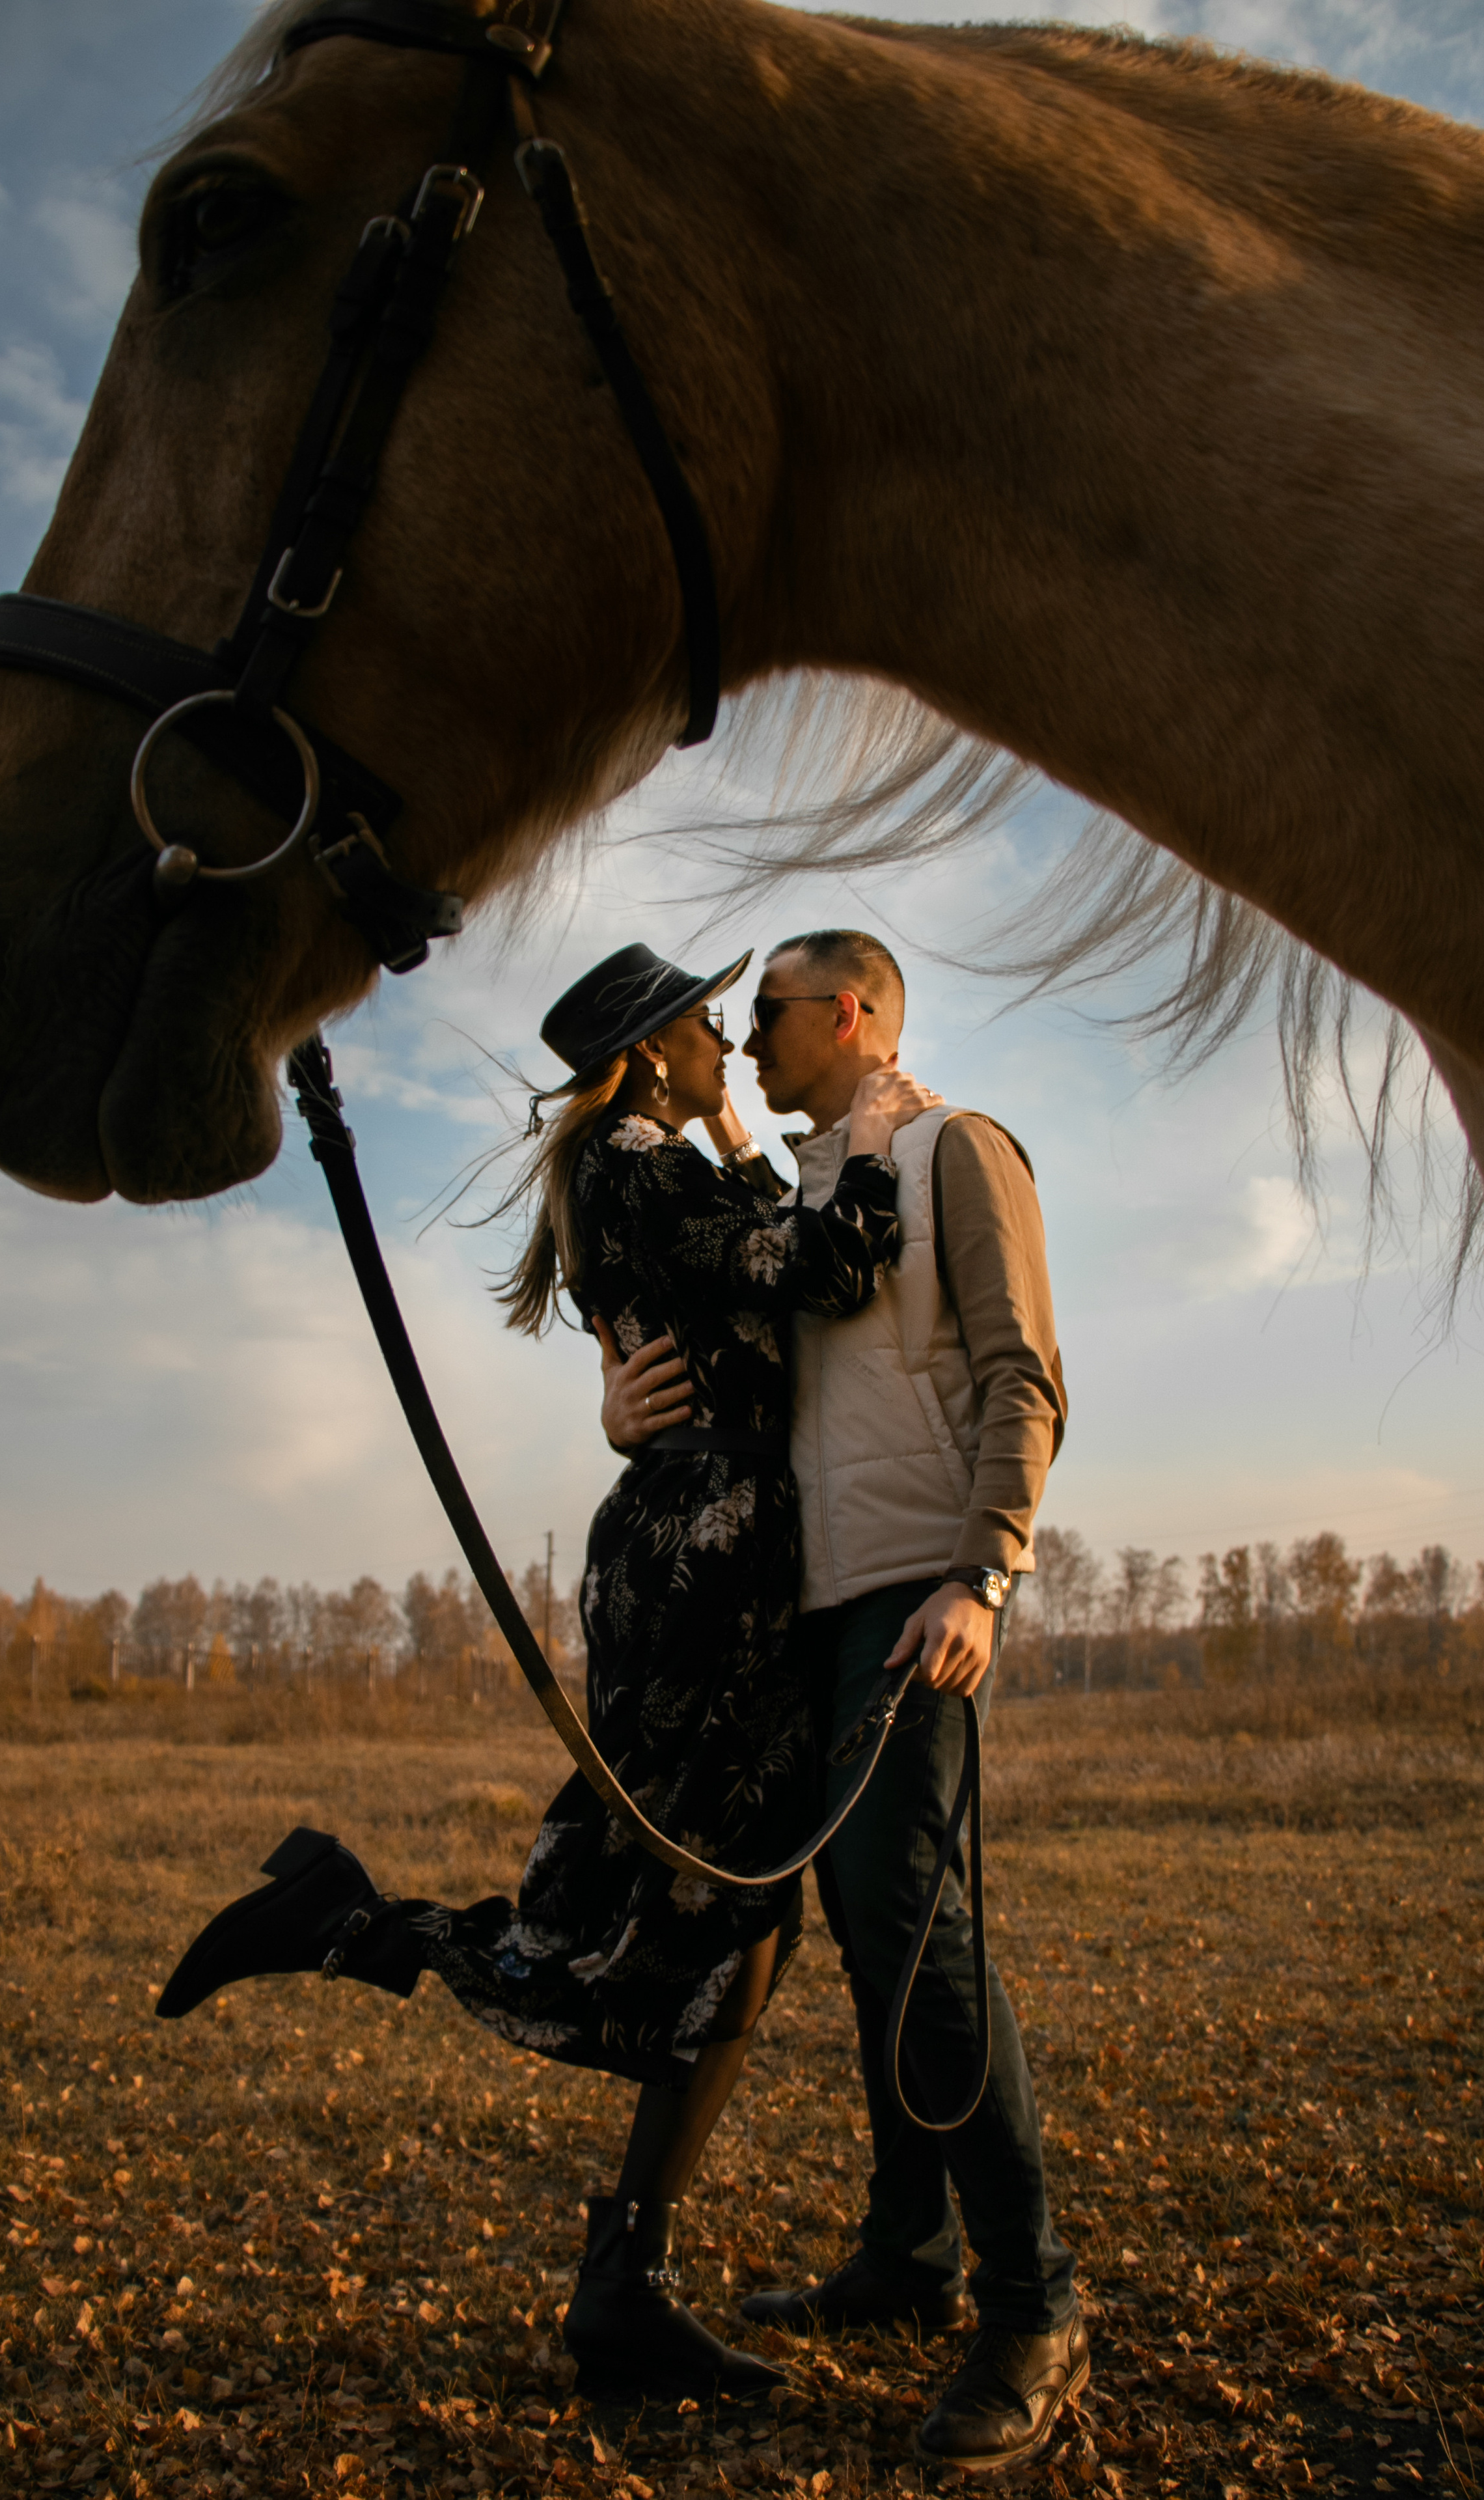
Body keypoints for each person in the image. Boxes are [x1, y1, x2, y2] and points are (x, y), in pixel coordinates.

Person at [154, 941, 939, 2405]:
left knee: (721, 1907)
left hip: (701, 1536)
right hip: (708, 1552)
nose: (728, 1046)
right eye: (708, 1031)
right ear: (646, 1057)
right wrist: (879, 1140)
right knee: (701, 1900)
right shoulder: (633, 1163)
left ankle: (620, 2283)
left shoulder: (646, 1160)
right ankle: (361, 1932)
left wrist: (727, 1142)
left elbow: (749, 1271)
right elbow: (827, 1266)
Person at [598, 928, 1086, 2475]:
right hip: (790, 1609)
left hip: (909, 1594)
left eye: (768, 1014)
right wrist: (619, 1406)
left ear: (853, 1014)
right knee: (869, 1938)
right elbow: (728, 1351)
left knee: (920, 1939)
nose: (741, 1041)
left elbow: (1024, 1373)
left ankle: (1031, 2302)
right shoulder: (804, 1193)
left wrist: (982, 1570)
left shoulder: (953, 1149)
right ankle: (905, 2255)